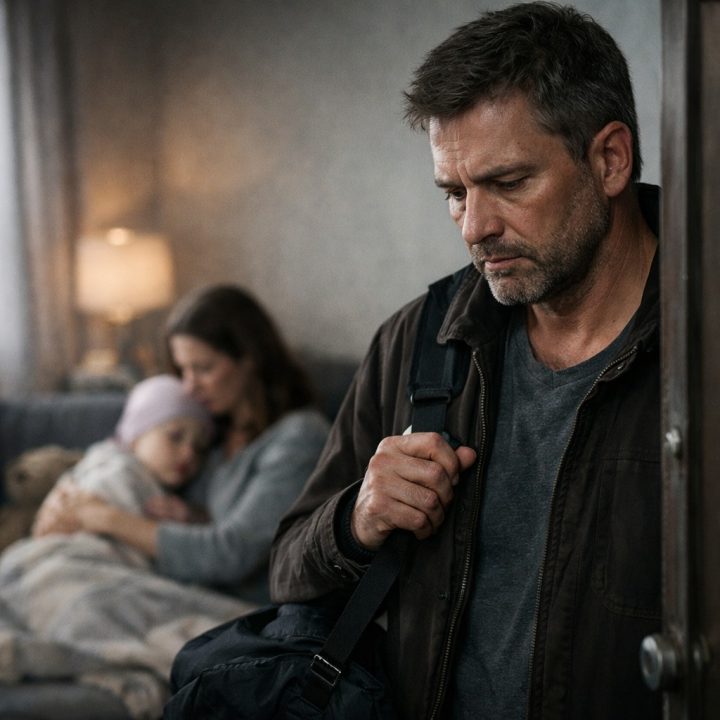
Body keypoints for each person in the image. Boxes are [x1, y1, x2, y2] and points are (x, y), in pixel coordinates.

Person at [269, 4, 661, 720]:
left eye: (508, 183)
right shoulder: (418, 341)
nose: (475, 227)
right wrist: (357, 520)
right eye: (455, 193)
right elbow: (289, 568)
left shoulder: (700, 351)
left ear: (610, 159)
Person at [35, 284, 330, 604]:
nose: (189, 387)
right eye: (182, 370)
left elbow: (233, 553)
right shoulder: (210, 433)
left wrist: (103, 517)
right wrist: (66, 504)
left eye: (203, 368)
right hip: (176, 587)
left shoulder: (300, 437)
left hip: (247, 608)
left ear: (250, 359)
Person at [1, 373, 251, 718]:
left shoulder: (171, 499)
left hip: (100, 571)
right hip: (61, 560)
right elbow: (70, 520)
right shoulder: (112, 467)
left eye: (199, 447)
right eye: (175, 436)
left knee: (96, 606)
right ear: (135, 435)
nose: (187, 453)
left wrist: (187, 520)